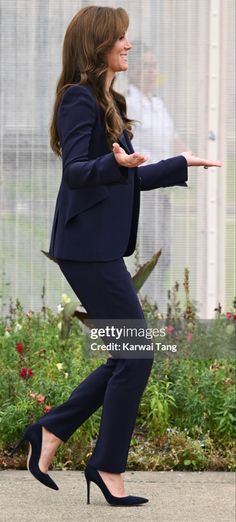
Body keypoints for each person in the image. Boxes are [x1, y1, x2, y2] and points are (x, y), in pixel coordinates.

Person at [11, 6, 221, 507]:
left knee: (130, 353)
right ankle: (105, 465)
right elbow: (79, 171)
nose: (129, 45)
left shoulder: (108, 99)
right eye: (121, 38)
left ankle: (51, 433)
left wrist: (177, 164)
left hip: (97, 248)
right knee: (138, 353)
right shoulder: (78, 100)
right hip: (86, 250)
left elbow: (124, 176)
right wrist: (113, 160)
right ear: (98, 46)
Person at [126, 41, 187, 311]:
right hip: (143, 185)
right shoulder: (129, 103)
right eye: (147, 66)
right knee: (150, 249)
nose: (152, 71)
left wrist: (190, 155)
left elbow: (172, 139)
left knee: (165, 251)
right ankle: (144, 306)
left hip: (162, 188)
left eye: (154, 66)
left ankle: (157, 304)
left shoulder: (158, 104)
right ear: (135, 68)